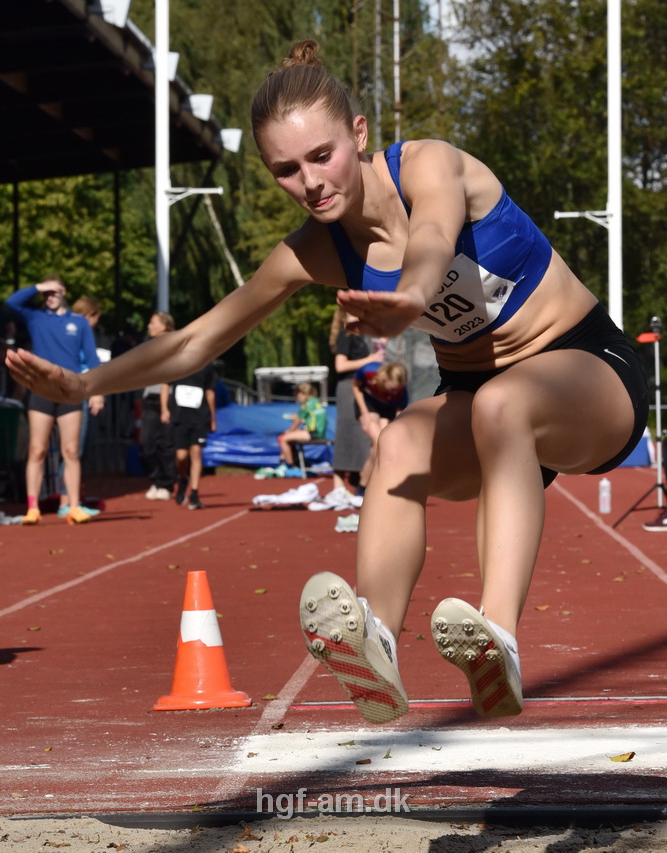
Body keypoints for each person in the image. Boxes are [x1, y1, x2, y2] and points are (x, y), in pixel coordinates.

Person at [6, 39, 649, 724]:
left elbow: (431, 236)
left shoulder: (429, 164)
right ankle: (374, 637)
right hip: (479, 400)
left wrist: (410, 296)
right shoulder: (315, 250)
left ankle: (498, 641)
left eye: (322, 156)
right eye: (285, 170)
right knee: (398, 444)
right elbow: (198, 339)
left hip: (588, 376)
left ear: (360, 134)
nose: (309, 182)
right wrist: (85, 384)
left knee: (500, 403)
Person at [6, 277, 104, 525]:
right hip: (41, 391)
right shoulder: (35, 317)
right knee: (37, 450)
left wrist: (97, 391)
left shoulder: (79, 322)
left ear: (63, 292)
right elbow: (11, 302)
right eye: (45, 294)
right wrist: (39, 287)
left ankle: (73, 506)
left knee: (70, 451)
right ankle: (33, 508)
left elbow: (92, 359)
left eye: (54, 292)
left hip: (69, 391)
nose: (49, 297)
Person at [56, 296, 106, 517]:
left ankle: (67, 500)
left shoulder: (71, 328)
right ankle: (66, 501)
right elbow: (91, 361)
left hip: (73, 390)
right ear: (89, 316)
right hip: (77, 392)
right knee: (73, 448)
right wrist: (96, 392)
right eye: (95, 319)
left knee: (71, 449)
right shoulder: (79, 329)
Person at [325, 309, 377, 505]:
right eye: (352, 311)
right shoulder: (345, 335)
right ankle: (338, 488)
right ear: (344, 316)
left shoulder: (363, 336)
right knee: (346, 434)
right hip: (348, 387)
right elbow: (340, 366)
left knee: (363, 436)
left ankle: (359, 484)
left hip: (362, 387)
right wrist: (370, 360)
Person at [162, 362, 217, 510]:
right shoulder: (177, 365)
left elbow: (210, 392)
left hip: (199, 418)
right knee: (181, 457)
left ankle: (194, 493)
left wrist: (212, 419)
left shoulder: (207, 366)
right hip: (180, 418)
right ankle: (182, 479)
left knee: (196, 453)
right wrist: (164, 410)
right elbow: (166, 386)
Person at [352, 360, 408, 492]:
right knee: (378, 441)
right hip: (369, 404)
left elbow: (399, 412)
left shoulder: (402, 392)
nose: (395, 392)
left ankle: (362, 482)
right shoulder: (368, 371)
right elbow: (355, 386)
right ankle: (373, 484)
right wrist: (364, 413)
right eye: (393, 389)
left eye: (398, 389)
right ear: (385, 379)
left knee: (381, 445)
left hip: (387, 408)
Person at [140, 312, 177, 501]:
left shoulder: (172, 344)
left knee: (165, 443)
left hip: (167, 398)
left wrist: (165, 407)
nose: (149, 326)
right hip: (149, 398)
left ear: (164, 325)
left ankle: (166, 483)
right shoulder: (148, 346)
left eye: (153, 323)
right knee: (147, 442)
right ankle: (154, 480)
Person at [276, 382, 327, 470]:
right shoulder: (316, 402)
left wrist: (289, 431)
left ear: (303, 394)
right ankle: (290, 462)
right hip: (319, 433)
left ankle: (290, 466)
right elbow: (309, 418)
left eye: (297, 394)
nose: (297, 397)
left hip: (313, 433)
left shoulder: (306, 404)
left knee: (283, 438)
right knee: (289, 438)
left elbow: (298, 421)